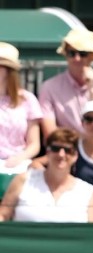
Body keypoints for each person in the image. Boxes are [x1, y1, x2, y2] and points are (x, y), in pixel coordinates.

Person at [0, 128, 93, 223]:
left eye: (68, 150)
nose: (61, 154)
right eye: (56, 148)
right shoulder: (23, 180)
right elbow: (3, 215)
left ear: (75, 156)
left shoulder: (87, 192)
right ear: (47, 152)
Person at [38, 28, 93, 138]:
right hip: (66, 149)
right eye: (71, 53)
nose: (76, 58)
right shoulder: (49, 87)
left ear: (91, 56)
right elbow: (50, 134)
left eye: (82, 54)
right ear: (66, 55)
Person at [0, 42, 42, 175]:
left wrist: (19, 158)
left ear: (9, 71)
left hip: (17, 166)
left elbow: (34, 144)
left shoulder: (28, 100)